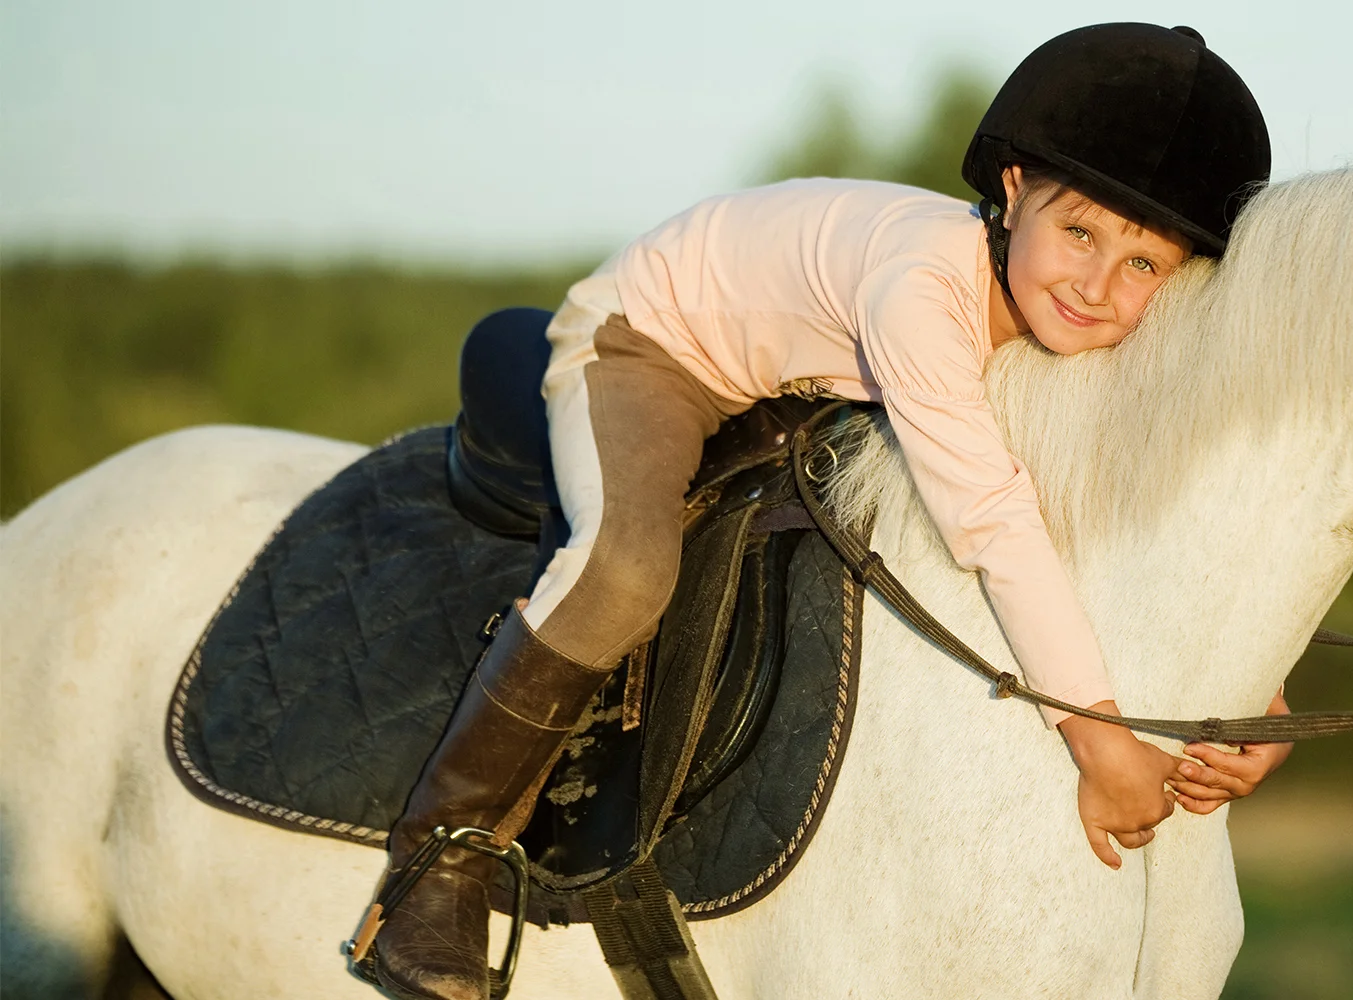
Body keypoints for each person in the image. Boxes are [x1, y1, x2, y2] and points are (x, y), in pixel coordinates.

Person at [357, 22, 1292, 1000]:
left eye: (1143, 265)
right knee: (628, 565)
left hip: (794, 378)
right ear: (1013, 192)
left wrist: (1251, 694)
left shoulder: (1058, 318)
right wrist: (1100, 744)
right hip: (653, 343)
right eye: (1081, 232)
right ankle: (437, 859)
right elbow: (993, 523)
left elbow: (1112, 526)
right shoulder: (920, 292)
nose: (1097, 287)